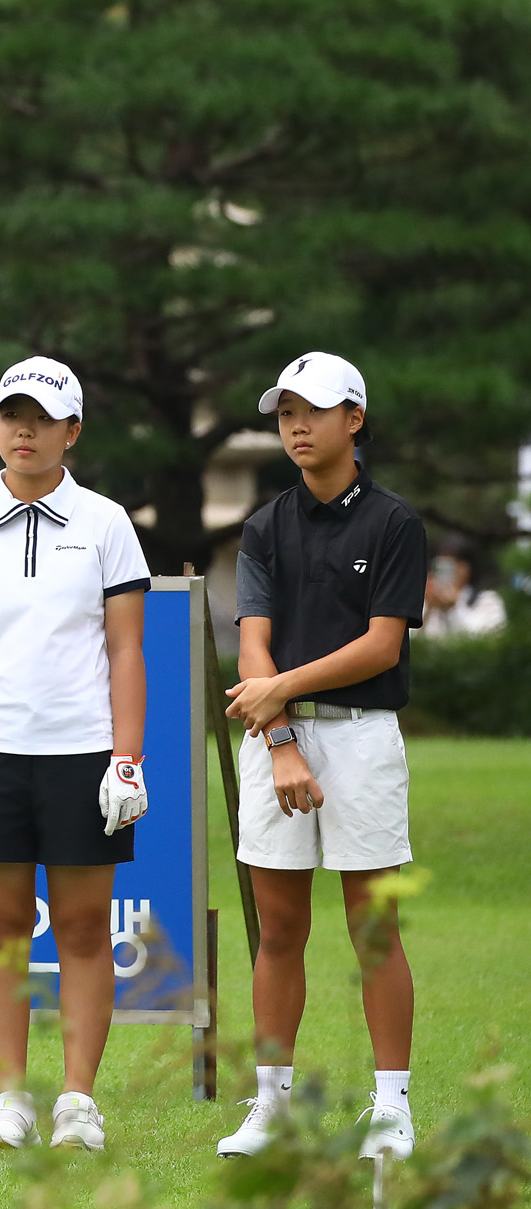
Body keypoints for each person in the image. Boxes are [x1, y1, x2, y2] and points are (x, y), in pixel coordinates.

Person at [0, 358, 149, 1153]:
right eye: (11, 416)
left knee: (86, 928)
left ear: (72, 431)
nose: (24, 431)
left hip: (82, 749)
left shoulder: (106, 522)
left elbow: (126, 651)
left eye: (42, 418)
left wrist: (127, 758)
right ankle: (10, 1100)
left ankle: (78, 1101)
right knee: (1, 926)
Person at [220, 351, 424, 1162]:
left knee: (374, 929)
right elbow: (252, 648)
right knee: (280, 931)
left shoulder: (394, 522)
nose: (296, 425)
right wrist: (278, 738)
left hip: (364, 738)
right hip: (277, 746)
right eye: (285, 413)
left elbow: (380, 647)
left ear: (355, 419)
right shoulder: (265, 525)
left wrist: (280, 695)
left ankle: (392, 1109)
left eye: (314, 410)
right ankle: (272, 1107)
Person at [420, 534, 505, 638]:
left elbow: (485, 638)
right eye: (440, 564)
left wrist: (453, 608)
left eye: (449, 564)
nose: (444, 570)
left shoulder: (488, 601)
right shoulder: (426, 603)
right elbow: (411, 642)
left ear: (466, 567)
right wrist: (429, 608)